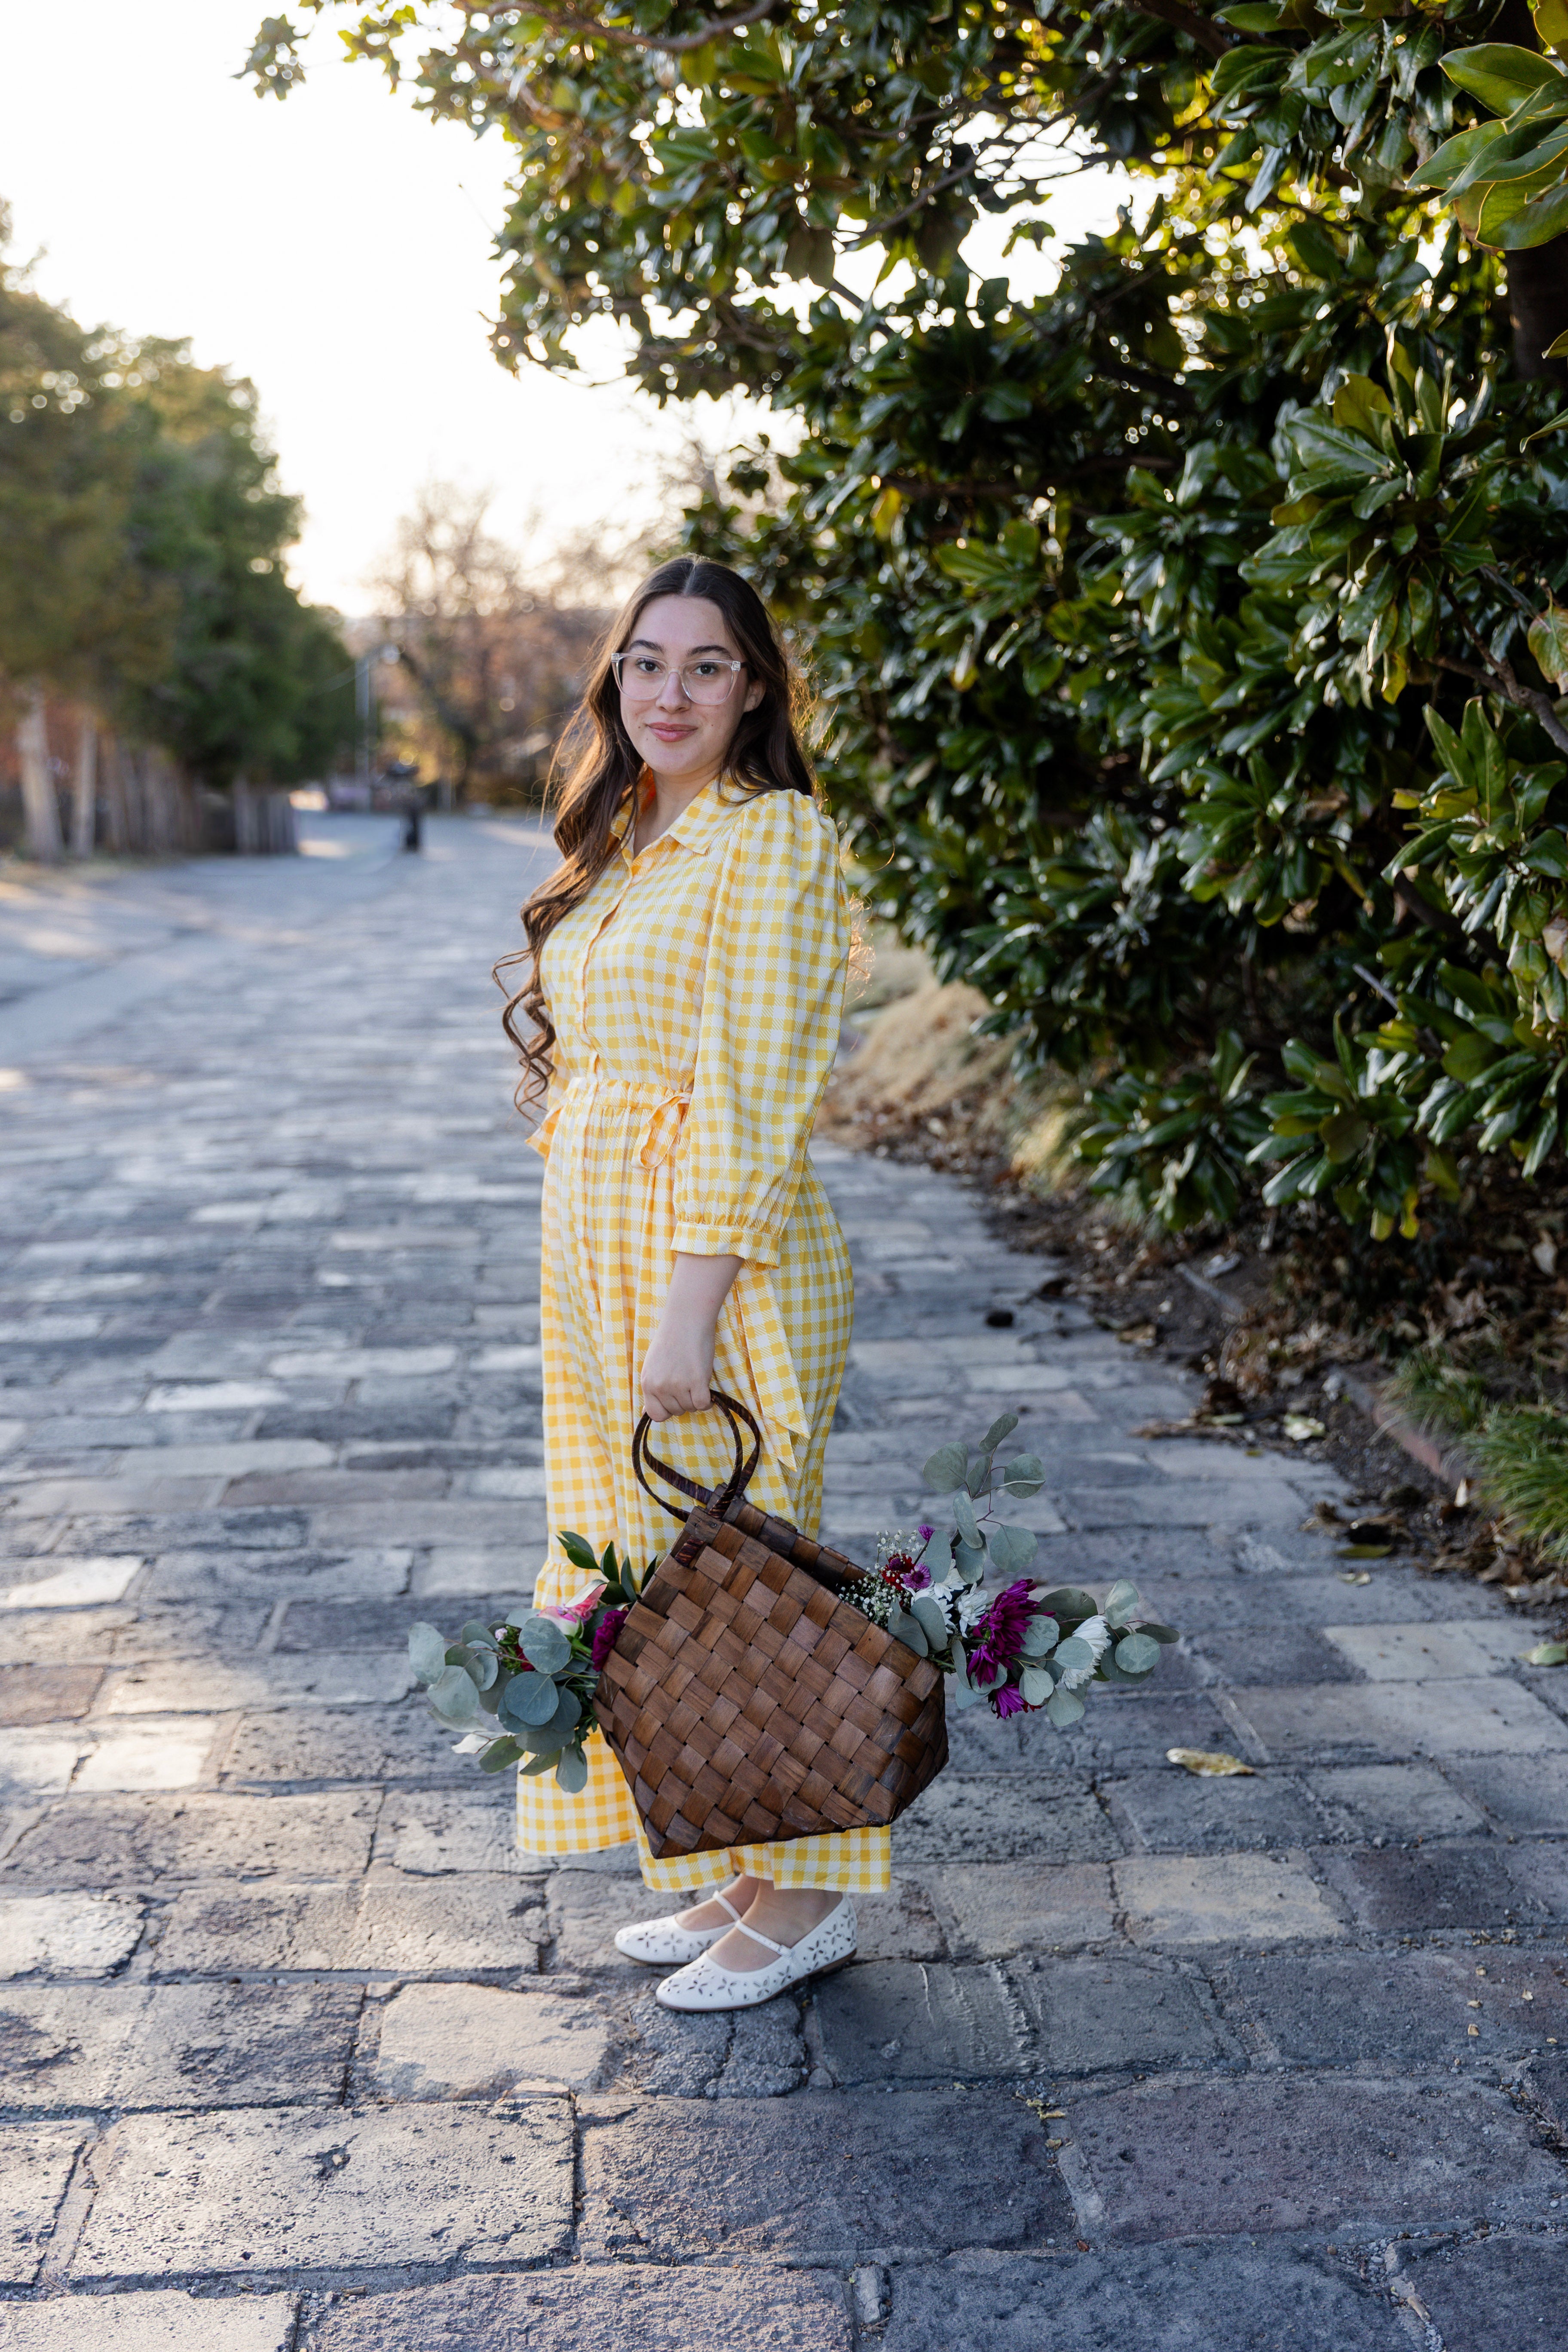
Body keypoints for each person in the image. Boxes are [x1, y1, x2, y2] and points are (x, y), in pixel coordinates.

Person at [496, 555, 876, 2011]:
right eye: (647, 662)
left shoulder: (771, 840)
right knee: (653, 1572)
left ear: (756, 690)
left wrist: (687, 1314)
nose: (671, 693)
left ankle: (808, 1896)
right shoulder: (632, 839)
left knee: (752, 1578)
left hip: (718, 1259)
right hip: (601, 1253)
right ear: (616, 679)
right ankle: (738, 1869)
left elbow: (756, 1094)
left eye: (707, 667)